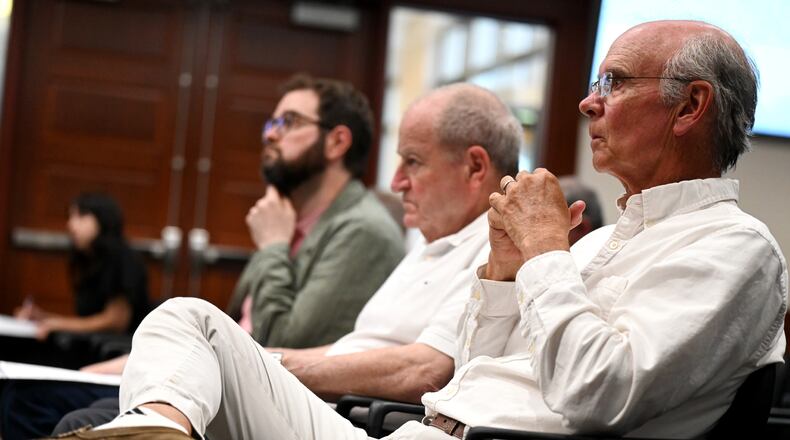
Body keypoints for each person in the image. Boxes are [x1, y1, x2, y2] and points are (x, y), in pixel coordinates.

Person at [58, 19, 786, 439]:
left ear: (690, 107)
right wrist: (503, 275)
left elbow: (598, 391)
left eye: (614, 83)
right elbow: (470, 370)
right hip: (413, 431)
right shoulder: (594, 242)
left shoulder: (736, 249)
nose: (588, 106)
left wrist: (539, 258)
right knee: (188, 320)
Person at [48, 82, 524, 438]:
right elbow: (348, 348)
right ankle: (154, 423)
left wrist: (260, 360)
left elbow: (424, 371)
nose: (396, 182)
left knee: (181, 319)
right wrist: (246, 356)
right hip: (331, 403)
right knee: (148, 351)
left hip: (363, 419)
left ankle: (154, 424)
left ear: (475, 167)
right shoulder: (427, 248)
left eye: (412, 162)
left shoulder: (493, 246)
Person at [227, 73, 404, 347]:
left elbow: (279, 349)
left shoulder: (364, 232)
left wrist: (273, 247)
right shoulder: (285, 217)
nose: (271, 135)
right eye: (272, 123)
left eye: (289, 122)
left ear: (337, 142)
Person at [14, 192, 149, 340]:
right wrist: (42, 318)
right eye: (71, 217)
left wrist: (59, 324)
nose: (71, 225)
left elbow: (115, 321)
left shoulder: (124, 259)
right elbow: (90, 319)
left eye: (81, 216)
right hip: (94, 343)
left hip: (116, 349)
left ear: (103, 220)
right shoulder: (88, 258)